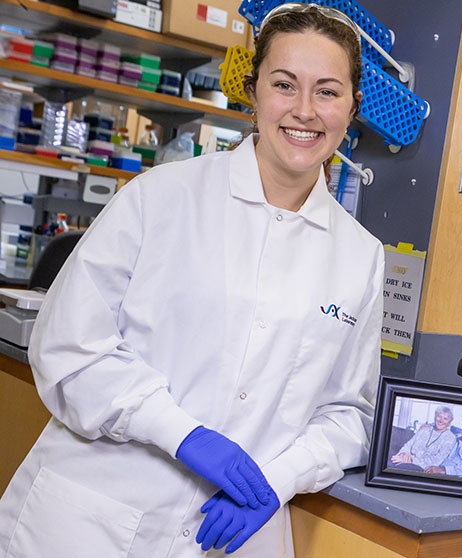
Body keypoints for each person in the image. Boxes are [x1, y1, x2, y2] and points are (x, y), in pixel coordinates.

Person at [0, 5, 384, 557]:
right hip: (94, 516)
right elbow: (68, 347)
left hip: (230, 533)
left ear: (353, 108)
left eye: (327, 91)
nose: (304, 110)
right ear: (252, 92)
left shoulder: (359, 257)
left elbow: (349, 414)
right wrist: (183, 434)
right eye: (284, 84)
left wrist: (277, 482)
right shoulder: (160, 196)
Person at [390, 406, 457, 471]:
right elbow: (408, 445)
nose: (441, 421)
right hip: (404, 460)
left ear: (449, 422)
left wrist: (411, 460)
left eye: (445, 419)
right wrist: (403, 453)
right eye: (439, 416)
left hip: (422, 468)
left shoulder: (450, 438)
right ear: (435, 417)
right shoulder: (424, 429)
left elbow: (436, 461)